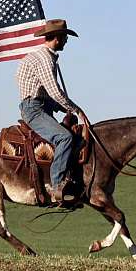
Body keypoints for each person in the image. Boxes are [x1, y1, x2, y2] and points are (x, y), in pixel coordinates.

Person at [16, 19, 88, 203]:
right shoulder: (45, 59)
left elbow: (47, 93)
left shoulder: (43, 57)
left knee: (70, 135)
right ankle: (57, 186)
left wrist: (60, 107)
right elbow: (54, 91)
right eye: (65, 37)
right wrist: (76, 109)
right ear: (56, 38)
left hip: (40, 105)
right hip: (34, 109)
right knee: (65, 138)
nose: (66, 41)